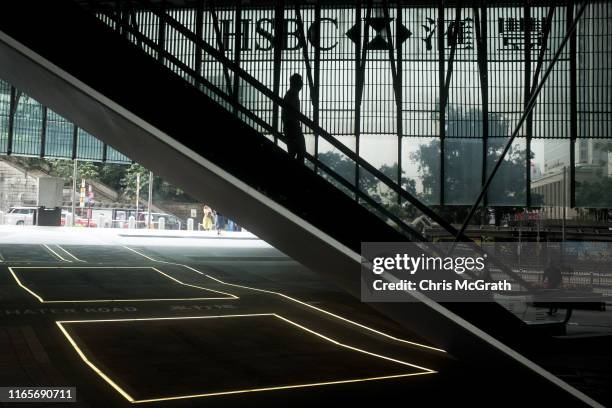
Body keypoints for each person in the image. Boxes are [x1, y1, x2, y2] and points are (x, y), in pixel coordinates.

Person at [282, 73, 306, 163]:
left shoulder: (291, 93)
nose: (302, 84)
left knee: (293, 152)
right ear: (296, 83)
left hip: (290, 126)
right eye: (300, 81)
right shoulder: (292, 94)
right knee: (300, 150)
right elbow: (291, 112)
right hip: (292, 126)